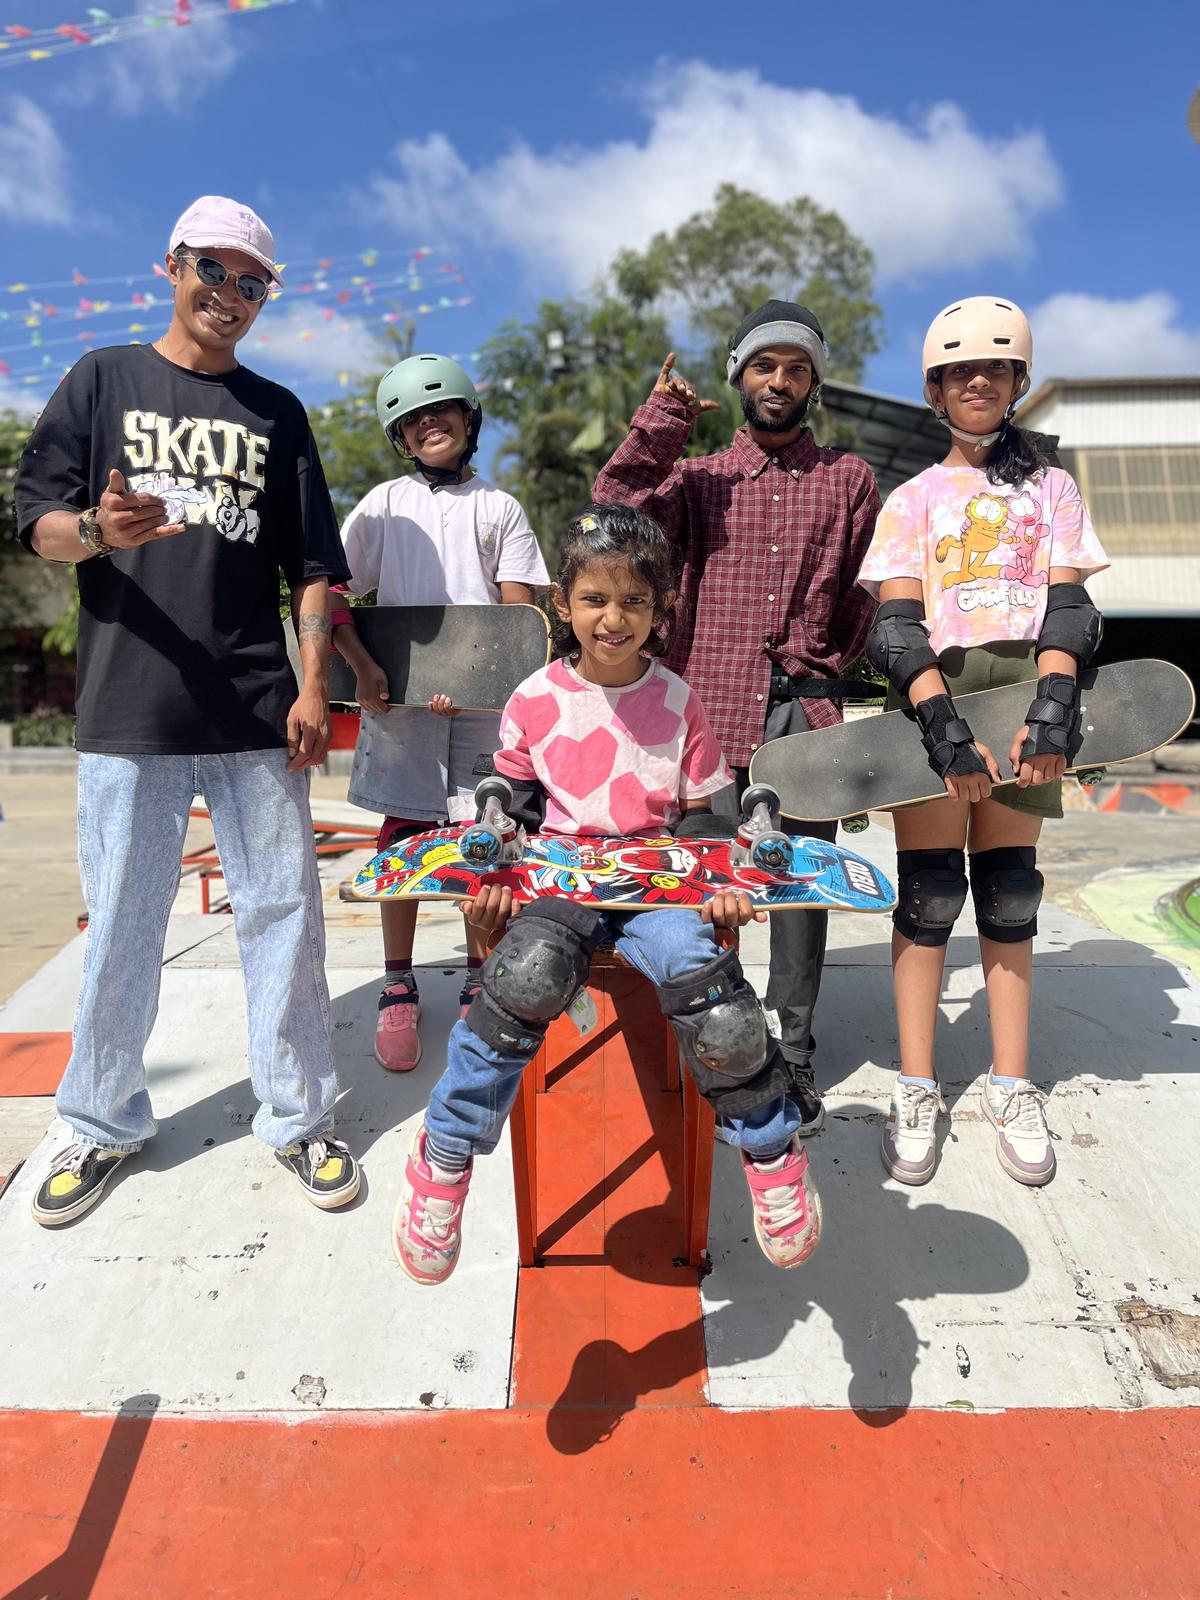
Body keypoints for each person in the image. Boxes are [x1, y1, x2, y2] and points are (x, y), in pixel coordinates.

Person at [15, 196, 360, 1224]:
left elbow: (313, 566)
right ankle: (100, 1121)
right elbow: (36, 525)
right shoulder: (104, 377)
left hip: (258, 703)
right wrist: (96, 527)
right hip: (131, 703)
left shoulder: (278, 413)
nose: (231, 295)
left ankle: (300, 1116)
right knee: (122, 919)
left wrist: (311, 682)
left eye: (253, 282)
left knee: (284, 915)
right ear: (170, 265)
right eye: (214, 270)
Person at [391, 504, 822, 1284]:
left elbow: (706, 817)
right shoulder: (533, 700)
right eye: (594, 600)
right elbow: (510, 811)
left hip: (659, 888)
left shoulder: (680, 702)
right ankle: (445, 1155)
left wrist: (719, 889)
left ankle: (770, 1148)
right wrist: (492, 887)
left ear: (661, 609)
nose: (613, 618)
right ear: (564, 604)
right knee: (521, 979)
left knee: (717, 1001)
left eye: (633, 601)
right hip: (563, 882)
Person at [594, 302, 881, 1132]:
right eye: (764, 366)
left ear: (813, 382)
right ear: (740, 378)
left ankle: (792, 1056)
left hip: (802, 716)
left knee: (794, 903)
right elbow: (613, 511)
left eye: (796, 368)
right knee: (703, 891)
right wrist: (662, 421)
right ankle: (721, 1051)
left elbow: (863, 591)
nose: (779, 381)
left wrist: (823, 669)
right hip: (706, 718)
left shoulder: (849, 480)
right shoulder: (696, 480)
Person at [857, 296, 1108, 1187]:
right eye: (960, 371)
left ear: (1015, 383)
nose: (977, 382)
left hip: (1024, 694)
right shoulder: (913, 499)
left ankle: (1011, 1083)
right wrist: (936, 719)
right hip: (940, 695)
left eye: (994, 369)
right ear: (933, 391)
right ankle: (917, 1085)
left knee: (1008, 895)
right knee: (929, 897)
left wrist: (1051, 706)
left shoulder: (1052, 489)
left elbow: (1070, 606)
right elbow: (893, 626)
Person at [330, 354, 549, 1071]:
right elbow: (332, 591)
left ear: (469, 418)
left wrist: (477, 672)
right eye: (414, 420)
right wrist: (362, 667)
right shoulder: (383, 506)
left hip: (485, 707)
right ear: (400, 437)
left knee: (485, 837)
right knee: (402, 838)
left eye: (443, 412)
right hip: (400, 700)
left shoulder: (500, 507)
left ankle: (479, 971)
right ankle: (398, 978)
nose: (431, 425)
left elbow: (521, 615)